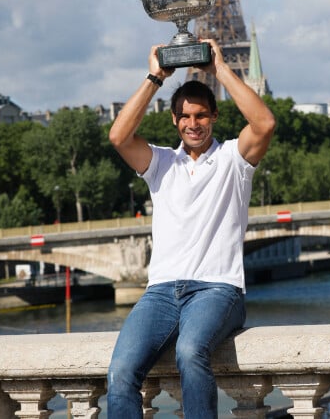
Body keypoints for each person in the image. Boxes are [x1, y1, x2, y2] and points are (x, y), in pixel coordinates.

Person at [107, 38, 275, 418]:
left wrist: (219, 69)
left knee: (189, 350)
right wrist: (155, 77)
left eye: (200, 115)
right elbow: (118, 137)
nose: (192, 123)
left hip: (218, 288)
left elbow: (264, 123)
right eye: (184, 116)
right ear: (174, 120)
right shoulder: (161, 163)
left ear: (214, 116)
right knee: (120, 371)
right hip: (162, 291)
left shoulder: (233, 158)